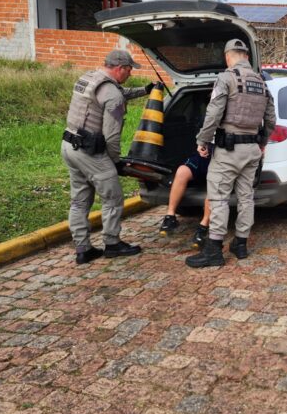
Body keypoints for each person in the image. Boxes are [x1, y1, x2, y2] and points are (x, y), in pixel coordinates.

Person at [185, 39, 276, 268]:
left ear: (228, 56)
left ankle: (214, 250)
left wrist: (202, 140)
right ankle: (241, 244)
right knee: (246, 198)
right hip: (252, 149)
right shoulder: (262, 83)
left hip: (228, 150)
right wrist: (262, 143)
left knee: (219, 197)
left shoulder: (226, 78)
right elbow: (271, 119)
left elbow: (213, 113)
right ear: (246, 56)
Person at [61, 49, 154, 264]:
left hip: (69, 146)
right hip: (91, 153)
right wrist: (115, 162)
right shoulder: (111, 93)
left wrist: (144, 90)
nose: (131, 73)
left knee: (79, 201)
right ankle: (112, 244)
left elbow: (118, 93)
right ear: (120, 68)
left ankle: (83, 249)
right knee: (113, 198)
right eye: (129, 70)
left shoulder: (90, 78)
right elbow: (112, 135)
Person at [158, 150, 213, 249]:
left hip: (223, 156)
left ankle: (204, 226)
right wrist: (201, 144)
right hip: (205, 155)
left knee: (215, 182)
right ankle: (170, 217)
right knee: (182, 171)